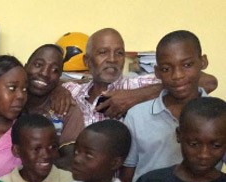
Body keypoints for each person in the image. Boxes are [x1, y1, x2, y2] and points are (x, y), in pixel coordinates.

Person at [62, 28, 216, 125]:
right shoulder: (71, 91)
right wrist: (56, 90)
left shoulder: (138, 84)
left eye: (119, 53)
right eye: (103, 52)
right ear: (87, 61)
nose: (112, 59)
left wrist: (136, 95)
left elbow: (208, 81)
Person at [121, 30, 211, 182]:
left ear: (202, 62)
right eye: (166, 69)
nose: (177, 75)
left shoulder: (219, 117)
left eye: (187, 65)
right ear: (156, 72)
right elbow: (127, 175)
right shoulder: (137, 116)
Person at [23, 44, 85, 170]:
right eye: (38, 65)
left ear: (59, 77)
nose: (45, 73)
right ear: (25, 67)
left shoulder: (66, 108)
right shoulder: (11, 102)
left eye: (54, 70)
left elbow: (70, 160)